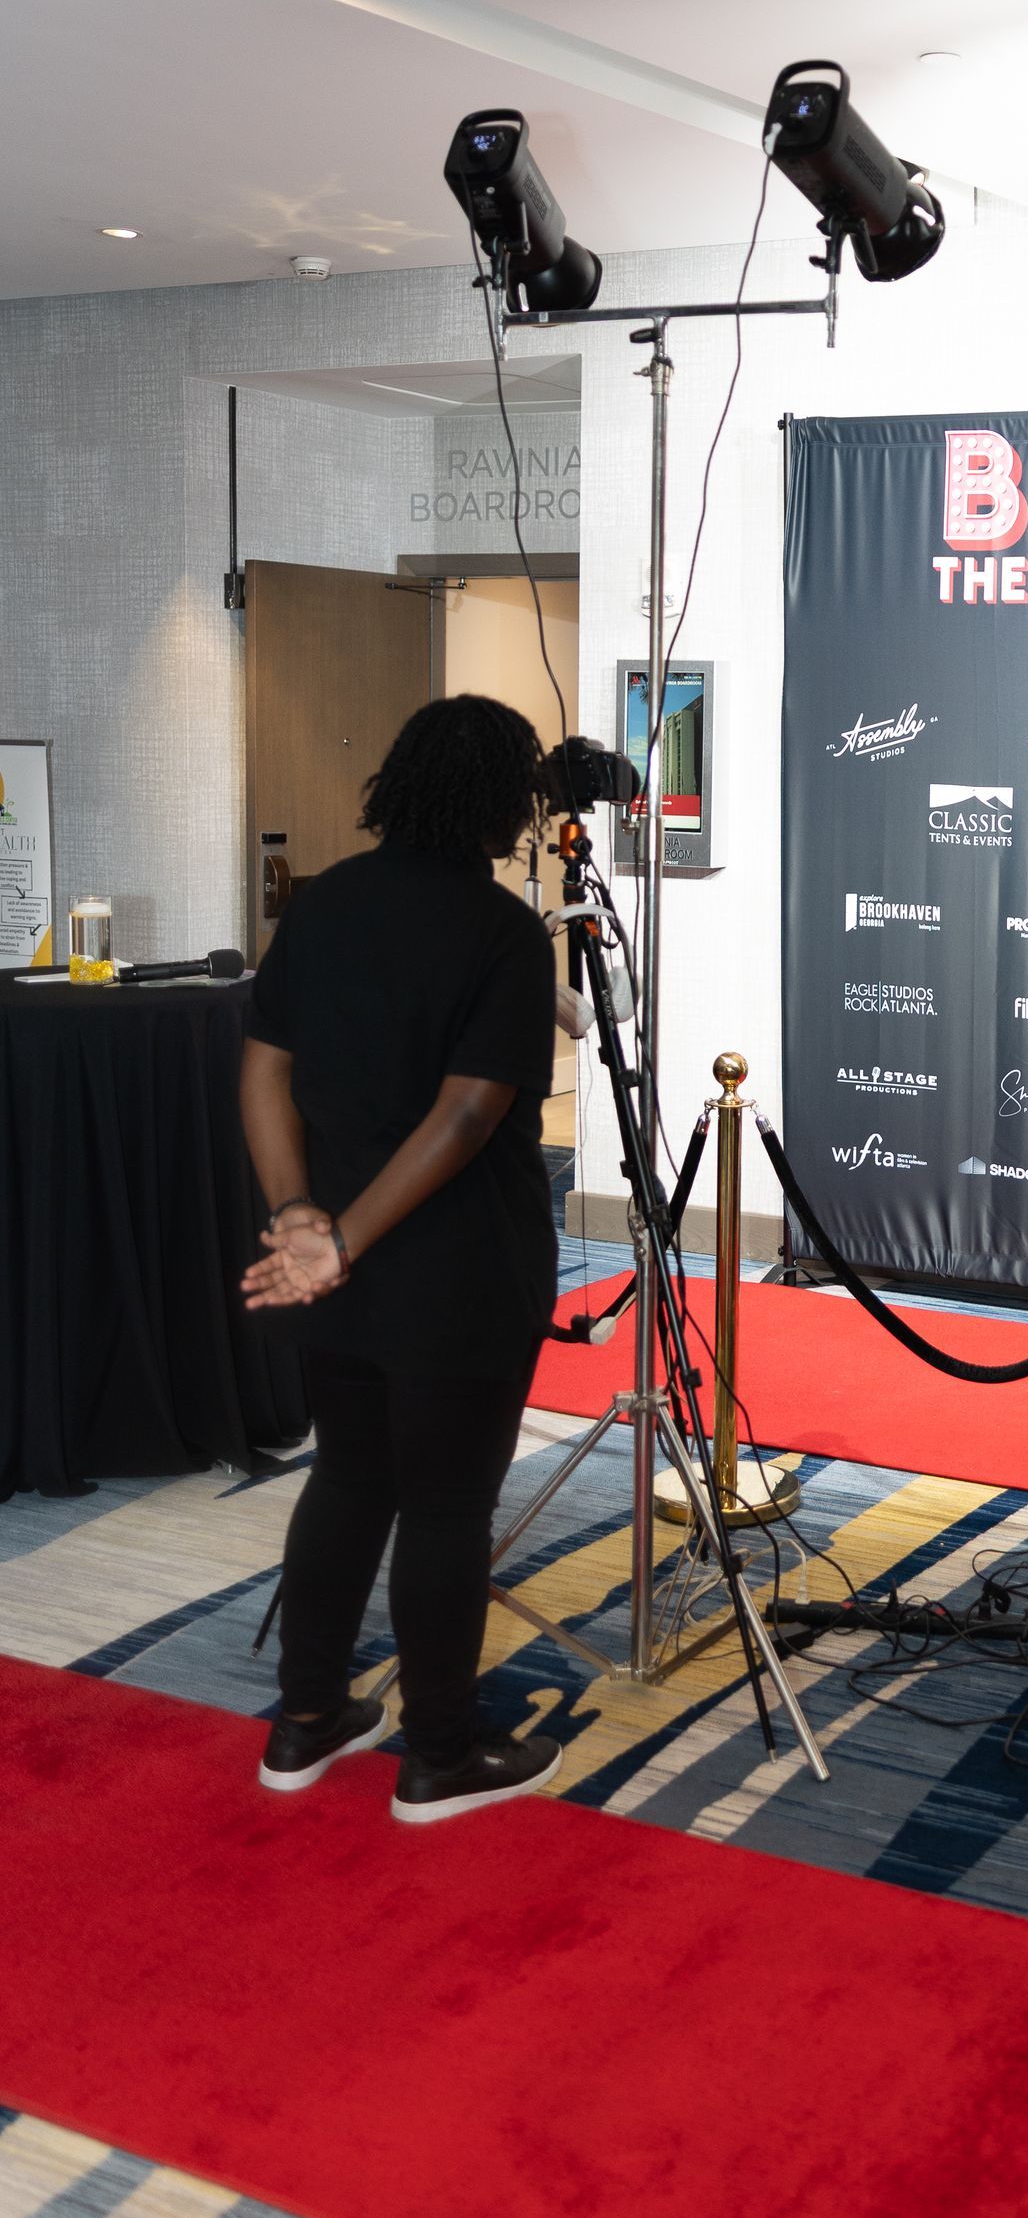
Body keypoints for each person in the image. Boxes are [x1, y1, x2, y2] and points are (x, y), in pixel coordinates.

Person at [239, 693, 563, 1823]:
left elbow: (264, 1072)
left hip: (339, 1275)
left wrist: (300, 1221)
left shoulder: (323, 905)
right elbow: (469, 1117)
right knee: (444, 1507)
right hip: (460, 1275)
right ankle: (439, 1754)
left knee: (350, 1475)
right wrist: (334, 1238)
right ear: (504, 804)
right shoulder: (504, 933)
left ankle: (306, 1719)